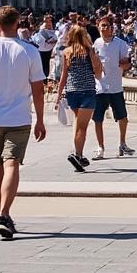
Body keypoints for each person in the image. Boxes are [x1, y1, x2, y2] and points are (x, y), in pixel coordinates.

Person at [0, 6, 46, 241]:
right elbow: (38, 89)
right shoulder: (29, 51)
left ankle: (3, 213)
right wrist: (40, 119)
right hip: (19, 117)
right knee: (12, 164)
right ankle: (4, 214)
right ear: (17, 24)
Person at [55, 26, 103, 172]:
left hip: (72, 91)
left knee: (77, 121)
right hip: (87, 91)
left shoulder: (66, 52)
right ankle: (78, 154)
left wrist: (58, 95)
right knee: (82, 127)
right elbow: (97, 72)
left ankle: (78, 153)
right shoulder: (89, 51)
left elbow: (63, 75)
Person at [91, 15, 134, 159]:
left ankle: (122, 142)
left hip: (115, 86)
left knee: (122, 117)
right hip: (100, 87)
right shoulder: (96, 43)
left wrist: (125, 63)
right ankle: (100, 147)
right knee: (98, 119)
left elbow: (127, 63)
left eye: (106, 26)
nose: (104, 29)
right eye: (101, 26)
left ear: (112, 28)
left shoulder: (121, 44)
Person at [31, 15, 58, 83]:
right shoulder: (42, 29)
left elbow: (54, 36)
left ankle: (45, 78)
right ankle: (43, 79)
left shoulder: (50, 27)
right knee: (42, 63)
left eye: (50, 20)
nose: (49, 22)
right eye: (47, 20)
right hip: (41, 49)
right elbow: (38, 38)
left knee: (46, 63)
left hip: (48, 49)